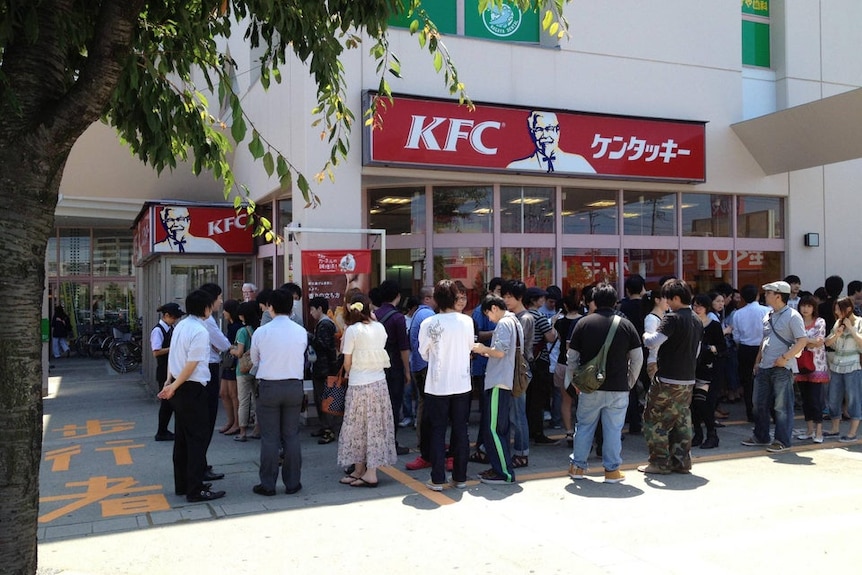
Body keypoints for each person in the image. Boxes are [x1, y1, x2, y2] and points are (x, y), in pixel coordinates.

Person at [566, 282, 642, 483]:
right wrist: (630, 382)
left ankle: (578, 468)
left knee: (584, 427)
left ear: (594, 301)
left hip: (590, 387)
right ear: (615, 302)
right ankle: (612, 471)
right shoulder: (626, 325)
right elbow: (637, 357)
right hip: (618, 387)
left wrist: (574, 381)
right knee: (613, 430)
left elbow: (572, 357)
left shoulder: (583, 323)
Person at [157, 289, 225, 502]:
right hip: (191, 388)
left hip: (179, 386)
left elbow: (175, 357)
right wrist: (174, 384)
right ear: (205, 308)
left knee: (183, 439)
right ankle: (195, 489)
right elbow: (192, 363)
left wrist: (170, 382)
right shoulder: (200, 330)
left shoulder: (181, 326)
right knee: (197, 440)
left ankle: (183, 484)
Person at [639, 278, 702, 475]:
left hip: (667, 379)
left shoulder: (672, 318)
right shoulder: (696, 319)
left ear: (676, 298)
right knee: (681, 420)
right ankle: (682, 462)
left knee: (655, 420)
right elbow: (697, 350)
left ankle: (659, 463)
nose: (666, 303)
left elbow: (653, 342)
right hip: (688, 379)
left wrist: (645, 335)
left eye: (668, 299)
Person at [418, 279, 475, 491]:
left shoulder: (429, 323)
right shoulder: (466, 321)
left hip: (437, 384)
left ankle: (438, 478)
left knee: (437, 430)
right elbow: (470, 346)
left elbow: (423, 353)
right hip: (461, 383)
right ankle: (460, 477)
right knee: (461, 430)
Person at [249, 288, 307, 495]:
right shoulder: (300, 331)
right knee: (291, 435)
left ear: (270, 307)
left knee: (270, 437)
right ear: (291, 308)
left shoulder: (261, 332)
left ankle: (268, 484)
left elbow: (255, 360)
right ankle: (293, 483)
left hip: (269, 386)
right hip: (294, 386)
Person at [337, 293, 397, 487]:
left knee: (356, 428)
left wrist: (351, 371)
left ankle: (366, 472)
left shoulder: (353, 330)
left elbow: (347, 362)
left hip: (359, 384)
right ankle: (363, 470)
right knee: (375, 427)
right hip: (379, 383)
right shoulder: (379, 327)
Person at [741, 281, 808, 453]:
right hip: (764, 366)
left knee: (781, 406)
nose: (765, 295)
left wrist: (785, 358)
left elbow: (802, 340)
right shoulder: (768, 315)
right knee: (759, 403)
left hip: (782, 368)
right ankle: (761, 436)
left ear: (778, 295)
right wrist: (757, 361)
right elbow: (764, 341)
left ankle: (782, 440)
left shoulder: (793, 316)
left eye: (769, 292)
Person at [471, 295, 522, 484]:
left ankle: (503, 472)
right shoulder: (514, 321)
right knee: (501, 429)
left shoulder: (503, 324)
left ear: (493, 308)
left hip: (498, 381)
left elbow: (499, 352)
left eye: (488, 315)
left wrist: (482, 348)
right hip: (506, 381)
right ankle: (499, 468)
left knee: (493, 430)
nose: (490, 320)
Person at [197, 283, 232, 482]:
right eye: (219, 297)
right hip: (207, 370)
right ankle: (200, 466)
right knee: (207, 421)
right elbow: (222, 343)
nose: (221, 301)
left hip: (204, 371)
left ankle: (201, 464)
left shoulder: (190, 323)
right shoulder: (207, 321)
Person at [375, 280, 411, 455]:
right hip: (394, 366)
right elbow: (404, 347)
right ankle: (391, 443)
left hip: (376, 367)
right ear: (398, 296)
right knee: (393, 406)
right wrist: (407, 371)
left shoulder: (373, 314)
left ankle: (378, 443)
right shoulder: (398, 318)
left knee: (378, 407)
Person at [405, 286, 438, 471]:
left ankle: (425, 445)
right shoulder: (427, 316)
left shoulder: (419, 314)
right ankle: (426, 446)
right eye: (435, 297)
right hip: (425, 366)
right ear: (427, 299)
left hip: (419, 365)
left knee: (423, 406)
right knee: (426, 408)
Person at [501, 280, 533, 469]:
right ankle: (519, 451)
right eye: (504, 297)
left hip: (519, 371)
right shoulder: (515, 316)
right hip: (514, 369)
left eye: (509, 297)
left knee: (518, 415)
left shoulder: (524, 318)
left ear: (519, 297)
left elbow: (517, 346)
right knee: (514, 413)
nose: (506, 300)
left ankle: (522, 453)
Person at [506, 110, 597, 174]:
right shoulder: (517, 167)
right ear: (532, 133)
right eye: (539, 129)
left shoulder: (578, 163)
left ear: (557, 131)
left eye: (549, 129)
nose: (545, 135)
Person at [823, 296, 862, 441]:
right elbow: (827, 343)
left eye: (839, 309)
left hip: (853, 365)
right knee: (833, 398)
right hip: (837, 365)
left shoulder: (859, 322)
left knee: (853, 398)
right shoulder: (837, 323)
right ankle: (835, 429)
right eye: (836, 309)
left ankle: (852, 432)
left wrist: (851, 329)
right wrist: (837, 334)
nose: (837, 312)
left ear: (849, 309)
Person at [691, 294, 727, 449]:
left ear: (707, 308)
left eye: (701, 306)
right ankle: (698, 434)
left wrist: (712, 349)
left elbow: (722, 347)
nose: (697, 309)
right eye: (695, 305)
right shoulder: (691, 324)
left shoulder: (713, 325)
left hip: (710, 370)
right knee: (694, 405)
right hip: (693, 369)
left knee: (705, 403)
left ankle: (712, 435)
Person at [525, 286, 558, 445]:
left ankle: (528, 430)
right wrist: (553, 324)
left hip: (526, 360)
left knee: (528, 397)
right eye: (541, 298)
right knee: (538, 398)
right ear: (533, 300)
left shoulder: (522, 315)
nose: (543, 300)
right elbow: (550, 337)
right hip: (540, 361)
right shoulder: (538, 317)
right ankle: (537, 432)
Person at [732, 284, 770, 422]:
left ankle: (750, 412)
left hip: (745, 348)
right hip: (764, 347)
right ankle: (767, 411)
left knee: (748, 382)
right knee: (766, 380)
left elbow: (735, 336)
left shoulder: (738, 313)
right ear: (758, 296)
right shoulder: (767, 311)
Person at [795, 295, 828, 443]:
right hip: (800, 365)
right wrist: (808, 341)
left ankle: (819, 431)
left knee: (815, 399)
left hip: (817, 365)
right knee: (805, 399)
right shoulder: (797, 321)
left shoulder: (820, 322)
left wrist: (803, 341)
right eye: (803, 306)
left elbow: (818, 342)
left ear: (814, 307)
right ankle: (809, 430)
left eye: (809, 306)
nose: (805, 309)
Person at [307, 296, 340, 445]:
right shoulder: (323, 323)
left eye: (312, 309)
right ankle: (324, 427)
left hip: (325, 368)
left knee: (325, 400)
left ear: (320, 309)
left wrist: (309, 337)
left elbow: (323, 345)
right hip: (321, 367)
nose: (311, 313)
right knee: (320, 398)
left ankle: (329, 430)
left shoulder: (325, 324)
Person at [152, 302, 185, 441]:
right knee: (166, 403)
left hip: (173, 369)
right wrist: (173, 348)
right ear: (166, 316)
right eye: (174, 317)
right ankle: (161, 431)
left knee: (171, 403)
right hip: (163, 369)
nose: (176, 320)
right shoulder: (158, 330)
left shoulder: (172, 328)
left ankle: (164, 430)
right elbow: (156, 351)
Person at [231, 301, 260, 442]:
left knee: (243, 401)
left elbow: (239, 352)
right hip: (257, 369)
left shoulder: (242, 331)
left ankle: (242, 432)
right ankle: (257, 428)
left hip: (242, 370)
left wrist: (231, 349)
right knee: (257, 400)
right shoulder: (259, 329)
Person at [153, 206, 224, 253]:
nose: (176, 224)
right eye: (170, 220)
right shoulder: (157, 248)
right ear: (164, 223)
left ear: (188, 221)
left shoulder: (208, 245)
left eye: (180, 219)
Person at [217, 299, 241, 436]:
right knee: (224, 393)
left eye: (225, 310)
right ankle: (230, 420)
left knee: (233, 394)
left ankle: (236, 423)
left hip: (234, 363)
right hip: (228, 362)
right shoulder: (230, 326)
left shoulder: (237, 327)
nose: (223, 312)